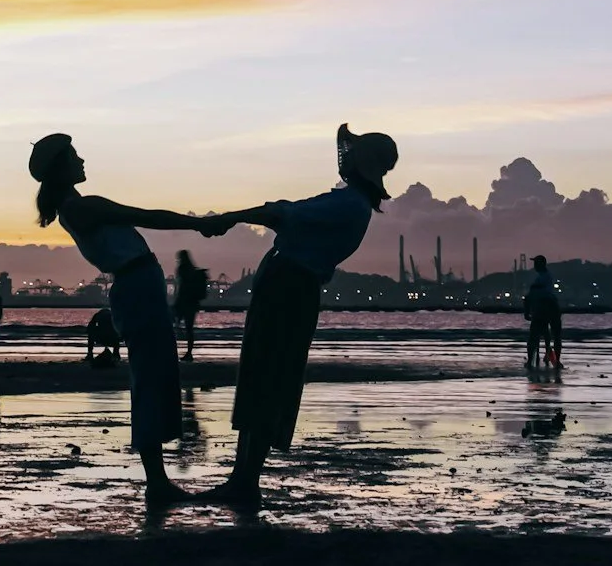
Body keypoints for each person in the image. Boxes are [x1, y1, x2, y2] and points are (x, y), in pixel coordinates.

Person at [199, 124, 399, 510]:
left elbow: (282, 213)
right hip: (290, 290)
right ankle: (242, 479)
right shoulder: (352, 204)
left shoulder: (347, 205)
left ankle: (245, 481)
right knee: (265, 376)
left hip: (288, 291)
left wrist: (230, 217)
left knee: (266, 376)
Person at [30, 132, 222, 504]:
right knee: (151, 379)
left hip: (138, 287)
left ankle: (159, 480)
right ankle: (158, 483)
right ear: (62, 168)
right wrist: (198, 224)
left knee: (154, 376)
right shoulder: (84, 207)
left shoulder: (74, 208)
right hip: (138, 288)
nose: (81, 160)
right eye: (74, 156)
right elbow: (146, 217)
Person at [523, 254, 561, 371]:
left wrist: (527, 311)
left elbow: (531, 295)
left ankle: (531, 362)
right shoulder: (546, 277)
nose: (534, 265)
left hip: (543, 308)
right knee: (553, 335)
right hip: (552, 307)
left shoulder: (542, 279)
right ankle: (555, 360)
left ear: (540, 264)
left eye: (535, 263)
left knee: (534, 336)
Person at [172, 250, 210, 362]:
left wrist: (176, 301)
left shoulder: (182, 269)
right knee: (189, 329)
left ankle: (172, 351)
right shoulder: (193, 270)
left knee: (175, 326)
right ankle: (189, 353)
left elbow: (181, 287)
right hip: (193, 303)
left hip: (183, 302)